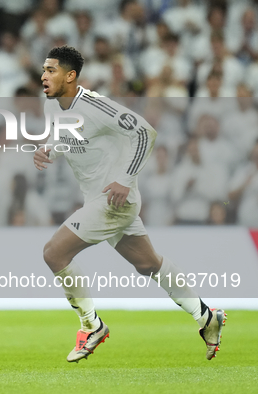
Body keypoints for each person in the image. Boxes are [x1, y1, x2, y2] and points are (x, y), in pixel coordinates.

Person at [33, 46, 226, 363]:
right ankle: (206, 316)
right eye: (44, 69)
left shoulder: (96, 106)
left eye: (51, 70)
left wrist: (125, 178)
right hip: (98, 199)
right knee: (149, 264)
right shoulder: (51, 106)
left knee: (54, 252)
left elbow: (145, 133)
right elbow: (63, 137)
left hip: (114, 198)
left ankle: (91, 326)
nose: (43, 76)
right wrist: (48, 151)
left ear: (70, 76)